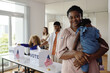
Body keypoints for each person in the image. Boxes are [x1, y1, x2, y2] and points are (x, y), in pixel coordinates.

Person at [56, 5, 109, 73]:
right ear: (68, 18)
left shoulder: (90, 29)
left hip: (91, 67)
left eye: (77, 16)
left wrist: (89, 58)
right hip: (71, 68)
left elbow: (105, 47)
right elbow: (59, 54)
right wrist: (75, 53)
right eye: (71, 17)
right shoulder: (65, 32)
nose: (74, 19)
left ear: (81, 17)